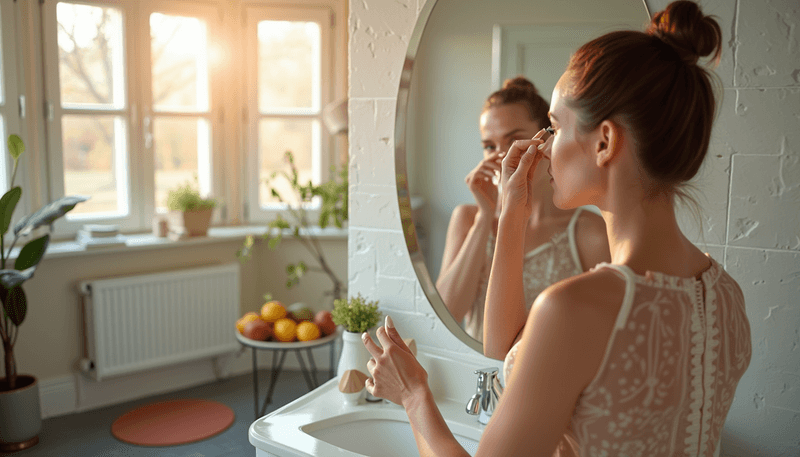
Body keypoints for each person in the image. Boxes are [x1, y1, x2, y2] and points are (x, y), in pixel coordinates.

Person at [362, 1, 752, 455]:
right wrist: (511, 214)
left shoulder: (573, 308)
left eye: (552, 127)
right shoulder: (726, 296)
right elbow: (506, 352)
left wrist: (413, 397)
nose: (541, 149)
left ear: (604, 142)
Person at [435, 77, 610, 346]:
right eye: (489, 146)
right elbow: (445, 317)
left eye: (514, 140)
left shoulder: (590, 232)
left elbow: (601, 337)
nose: (503, 157)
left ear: (545, 138)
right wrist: (485, 218)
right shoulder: (467, 218)